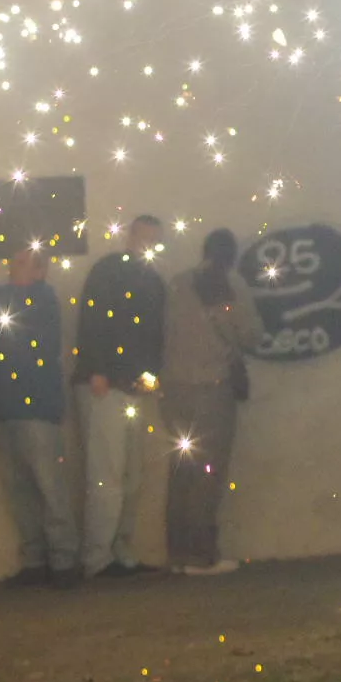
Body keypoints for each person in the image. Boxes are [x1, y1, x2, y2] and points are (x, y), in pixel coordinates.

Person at [0, 246, 80, 590]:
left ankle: (63, 560)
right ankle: (36, 559)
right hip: (6, 407)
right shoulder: (8, 301)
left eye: (21, 263)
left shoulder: (41, 301)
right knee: (19, 487)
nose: (12, 267)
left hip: (35, 406)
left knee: (48, 485)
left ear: (40, 272)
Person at [161, 228, 263, 575]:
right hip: (212, 389)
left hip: (173, 391)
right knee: (209, 473)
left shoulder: (176, 284)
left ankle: (176, 553)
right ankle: (202, 555)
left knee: (181, 470)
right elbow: (251, 335)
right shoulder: (231, 286)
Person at [71, 214, 167, 577]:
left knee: (130, 476)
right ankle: (98, 556)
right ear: (131, 236)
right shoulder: (109, 271)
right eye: (144, 237)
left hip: (129, 386)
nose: (147, 245)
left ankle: (116, 549)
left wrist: (151, 377)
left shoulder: (149, 279)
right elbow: (93, 319)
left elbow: (153, 334)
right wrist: (97, 370)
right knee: (108, 474)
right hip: (107, 386)